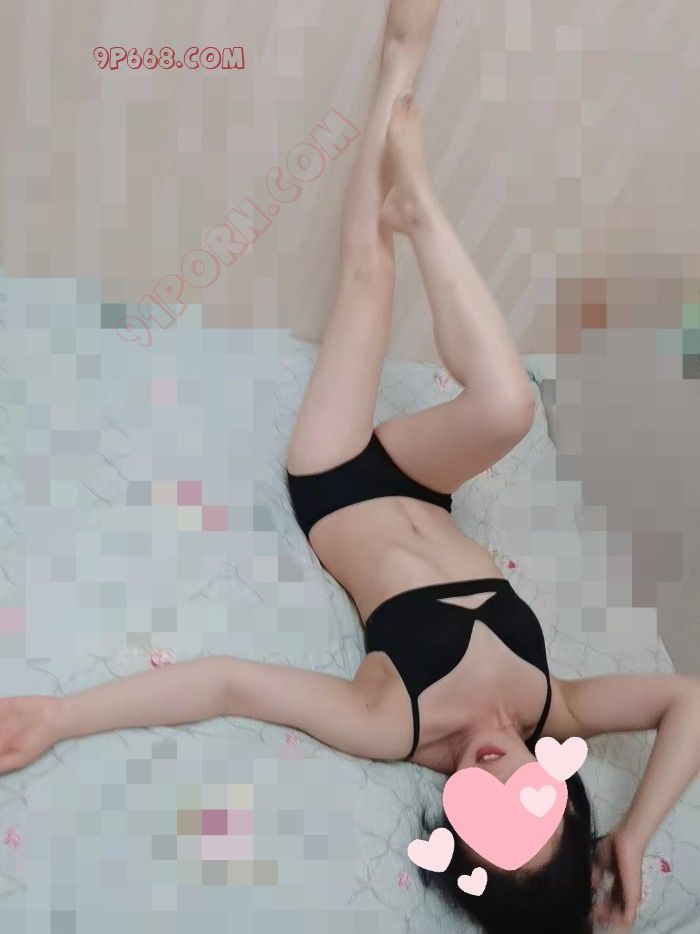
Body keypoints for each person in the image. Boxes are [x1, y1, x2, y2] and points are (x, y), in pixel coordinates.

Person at [1, 3, 699, 931]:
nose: (497, 782)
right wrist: (634, 834)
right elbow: (688, 700)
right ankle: (420, 205)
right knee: (509, 408)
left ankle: (400, 66)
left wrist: (62, 716)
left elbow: (229, 684)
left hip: (337, 482)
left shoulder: (393, 725)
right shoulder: (555, 706)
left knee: (369, 275)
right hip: (423, 481)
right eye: (530, 812)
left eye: (483, 829)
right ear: (563, 803)